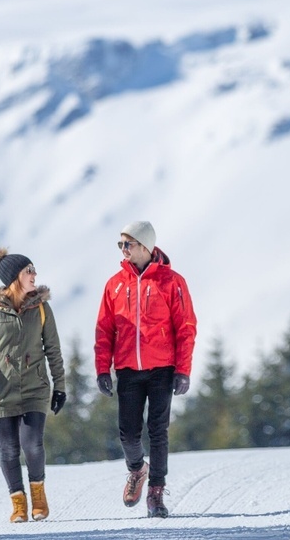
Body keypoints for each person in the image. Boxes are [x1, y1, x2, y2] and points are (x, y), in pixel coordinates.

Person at [94, 221, 197, 518]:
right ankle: (138, 469)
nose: (123, 250)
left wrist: (183, 369)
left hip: (162, 369)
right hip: (127, 369)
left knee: (158, 431)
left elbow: (186, 327)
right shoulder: (114, 284)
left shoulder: (171, 282)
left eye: (128, 244)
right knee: (128, 433)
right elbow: (104, 329)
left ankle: (156, 492)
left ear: (144, 246)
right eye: (120, 245)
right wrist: (103, 369)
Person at [0, 248, 66, 523]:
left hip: (35, 387)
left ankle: (38, 498)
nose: (35, 275)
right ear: (14, 277)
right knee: (9, 450)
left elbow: (54, 350)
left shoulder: (42, 308)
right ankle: (19, 505)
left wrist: (60, 386)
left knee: (33, 445)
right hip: (0, 391)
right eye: (29, 271)